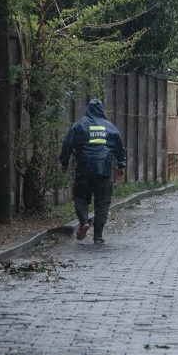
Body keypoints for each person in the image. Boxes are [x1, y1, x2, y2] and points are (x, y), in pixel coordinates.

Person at [60, 99, 126, 245]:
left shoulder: (79, 125)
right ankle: (98, 236)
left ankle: (84, 222)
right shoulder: (110, 127)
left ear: (88, 109)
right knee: (102, 202)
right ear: (102, 110)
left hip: (84, 169)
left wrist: (64, 162)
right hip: (104, 170)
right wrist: (121, 165)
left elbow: (67, 144)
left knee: (81, 197)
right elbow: (119, 146)